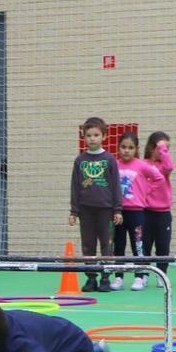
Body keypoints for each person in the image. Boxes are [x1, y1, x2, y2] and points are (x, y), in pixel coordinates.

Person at [67, 117, 123, 292]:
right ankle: (91, 277)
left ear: (104, 136)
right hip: (86, 210)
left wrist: (117, 209)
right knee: (88, 245)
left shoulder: (109, 159)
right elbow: (75, 187)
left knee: (107, 244)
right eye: (89, 135)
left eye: (96, 135)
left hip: (106, 210)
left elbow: (116, 185)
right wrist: (74, 211)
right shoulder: (80, 160)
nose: (92, 138)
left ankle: (105, 277)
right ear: (84, 137)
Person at [111, 131, 162, 291]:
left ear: (136, 149)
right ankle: (118, 277)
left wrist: (146, 191)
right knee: (118, 245)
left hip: (137, 212)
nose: (126, 150)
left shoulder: (141, 165)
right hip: (119, 211)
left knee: (138, 244)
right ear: (119, 148)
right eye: (123, 147)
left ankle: (139, 276)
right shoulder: (114, 165)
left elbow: (159, 178)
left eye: (130, 147)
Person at [141, 130, 175, 284]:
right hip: (146, 211)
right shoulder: (143, 165)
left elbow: (169, 167)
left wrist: (163, 149)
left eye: (167, 149)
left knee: (163, 245)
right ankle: (144, 273)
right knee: (145, 244)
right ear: (151, 148)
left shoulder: (164, 167)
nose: (164, 152)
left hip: (163, 213)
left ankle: (161, 273)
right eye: (161, 148)